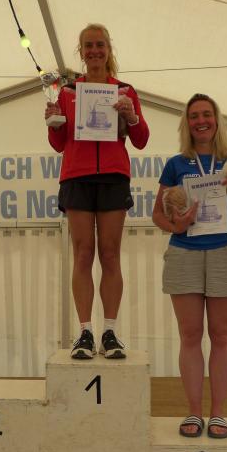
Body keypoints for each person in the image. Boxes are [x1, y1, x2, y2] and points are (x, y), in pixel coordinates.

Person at [151, 93, 227, 438]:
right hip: (184, 253)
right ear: (187, 124)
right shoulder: (176, 164)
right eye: (194, 116)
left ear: (216, 120)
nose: (201, 121)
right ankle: (193, 412)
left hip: (225, 252)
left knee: (221, 335)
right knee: (190, 336)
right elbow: (157, 214)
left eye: (206, 114)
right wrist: (177, 225)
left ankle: (218, 413)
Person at [44, 24, 150, 360]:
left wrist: (132, 116)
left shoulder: (125, 91)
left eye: (100, 45)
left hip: (113, 177)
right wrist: (53, 121)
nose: (94, 51)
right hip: (76, 177)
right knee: (83, 253)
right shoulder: (67, 92)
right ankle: (85, 332)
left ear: (108, 49)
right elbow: (58, 144)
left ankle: (110, 332)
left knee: (110, 253)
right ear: (81, 51)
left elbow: (141, 140)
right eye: (88, 46)